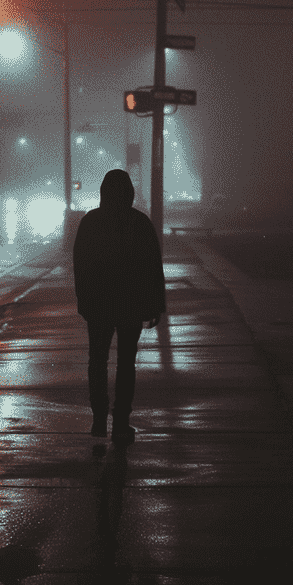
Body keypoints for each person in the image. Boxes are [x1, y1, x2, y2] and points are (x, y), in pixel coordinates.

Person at [73, 169, 166, 443]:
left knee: (97, 361)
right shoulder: (139, 223)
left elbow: (80, 265)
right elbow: (152, 267)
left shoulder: (91, 222)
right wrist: (155, 305)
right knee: (126, 364)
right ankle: (121, 421)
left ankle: (99, 419)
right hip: (131, 304)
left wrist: (84, 300)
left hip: (99, 305)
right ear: (129, 193)